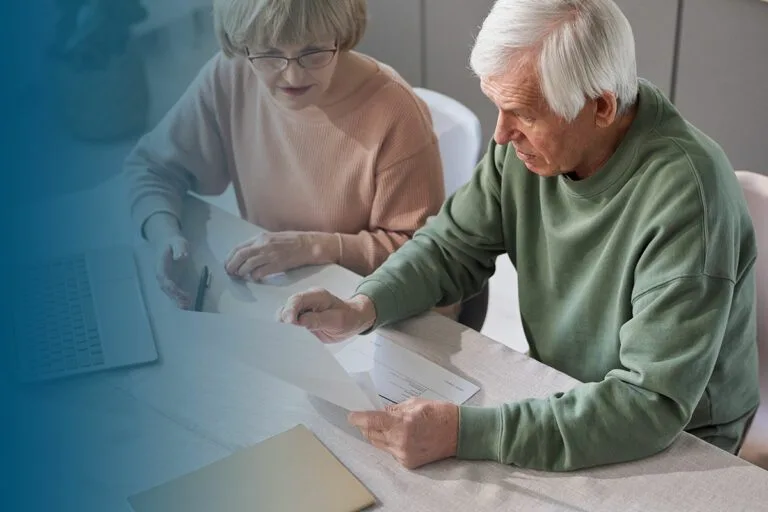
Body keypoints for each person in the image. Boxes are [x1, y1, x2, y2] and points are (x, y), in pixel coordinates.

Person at [278, 0, 760, 471]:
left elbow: (649, 403)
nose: (502, 135)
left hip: (685, 436)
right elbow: (451, 245)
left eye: (523, 114)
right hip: (567, 386)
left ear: (601, 106)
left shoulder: (689, 198)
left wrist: (464, 433)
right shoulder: (529, 149)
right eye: (497, 107)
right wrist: (365, 306)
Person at [124, 0, 444, 309]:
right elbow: (152, 168)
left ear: (340, 34)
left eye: (312, 52)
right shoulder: (232, 73)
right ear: (243, 44)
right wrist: (164, 233)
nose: (292, 77)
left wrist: (314, 247)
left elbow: (422, 254)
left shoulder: (395, 112)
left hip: (372, 305)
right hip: (276, 293)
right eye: (270, 54)